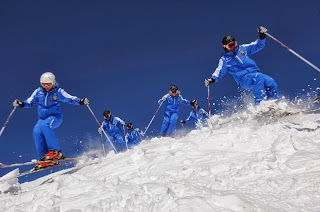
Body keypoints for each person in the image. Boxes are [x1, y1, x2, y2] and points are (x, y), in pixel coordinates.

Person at [13, 72, 89, 170]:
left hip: (55, 117)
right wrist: (21, 104)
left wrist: (80, 101)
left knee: (46, 125)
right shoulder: (38, 92)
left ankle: (55, 152)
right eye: (43, 84)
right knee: (36, 131)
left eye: (48, 84)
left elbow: (70, 98)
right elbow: (29, 102)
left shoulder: (58, 91)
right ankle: (44, 159)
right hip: (42, 119)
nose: (46, 86)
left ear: (53, 83)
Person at [205, 26, 278, 105]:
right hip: (243, 79)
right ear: (225, 47)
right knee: (258, 77)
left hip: (254, 73)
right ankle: (259, 105)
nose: (234, 47)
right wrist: (212, 79)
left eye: (235, 44)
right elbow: (219, 71)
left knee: (270, 81)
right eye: (230, 45)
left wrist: (262, 36)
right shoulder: (224, 59)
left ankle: (273, 104)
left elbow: (256, 45)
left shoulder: (242, 49)